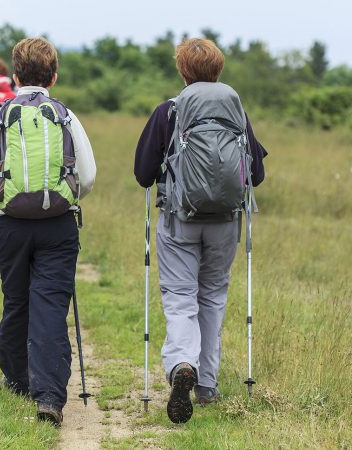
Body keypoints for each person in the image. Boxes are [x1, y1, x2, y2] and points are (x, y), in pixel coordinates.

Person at [133, 38, 267, 424]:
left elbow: (143, 174)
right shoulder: (236, 112)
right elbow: (256, 174)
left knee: (179, 298)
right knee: (212, 296)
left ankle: (180, 366)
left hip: (179, 220)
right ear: (218, 70)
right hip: (225, 222)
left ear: (182, 71)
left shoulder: (168, 111)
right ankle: (206, 384)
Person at [0, 37, 96, 426]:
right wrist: (63, 196)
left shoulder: (3, 113)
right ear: (53, 76)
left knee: (17, 300)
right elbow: (87, 176)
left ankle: (17, 378)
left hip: (9, 225)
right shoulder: (65, 115)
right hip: (58, 225)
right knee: (51, 307)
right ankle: (50, 398)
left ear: (14, 75)